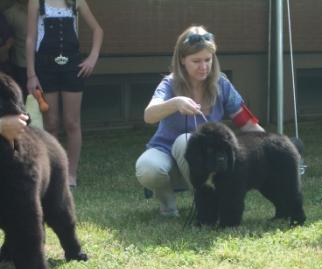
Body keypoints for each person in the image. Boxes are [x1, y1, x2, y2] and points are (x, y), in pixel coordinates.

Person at [135, 25, 264, 217]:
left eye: (208, 60)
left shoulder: (222, 84)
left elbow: (247, 123)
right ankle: (168, 207)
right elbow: (149, 115)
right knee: (149, 168)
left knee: (186, 141)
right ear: (182, 60)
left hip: (205, 159)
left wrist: (272, 147)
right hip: (165, 152)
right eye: (196, 61)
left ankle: (206, 204)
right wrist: (175, 103)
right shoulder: (169, 84)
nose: (203, 67)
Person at [26, 0, 103, 187]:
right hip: (45, 67)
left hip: (72, 68)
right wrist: (31, 75)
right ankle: (52, 172)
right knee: (51, 123)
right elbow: (30, 38)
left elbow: (98, 30)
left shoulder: (76, 2)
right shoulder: (37, 2)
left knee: (72, 122)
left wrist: (92, 58)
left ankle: (71, 175)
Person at [4, 0, 28, 100]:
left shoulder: (43, 9)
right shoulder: (10, 13)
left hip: (43, 62)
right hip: (21, 62)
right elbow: (6, 36)